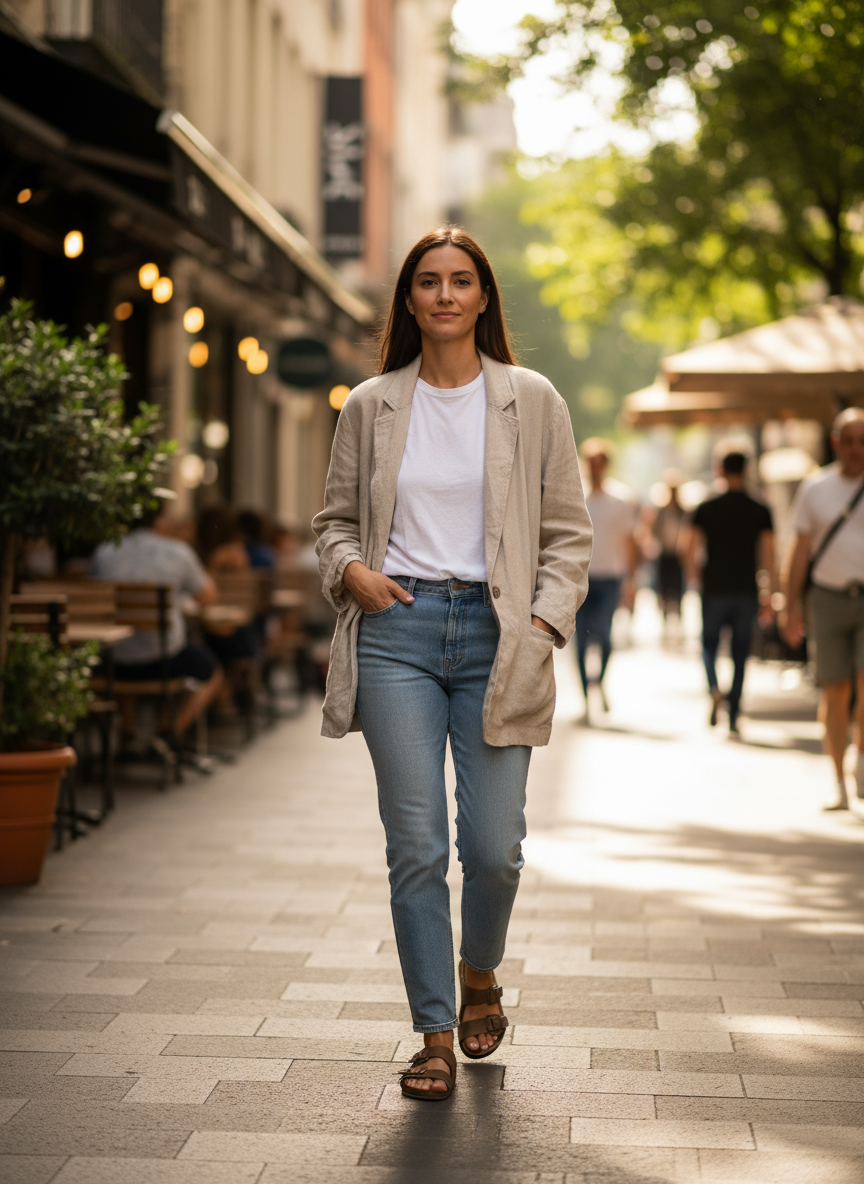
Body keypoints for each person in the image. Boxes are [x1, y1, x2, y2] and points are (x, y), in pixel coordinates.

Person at [313, 226, 592, 1101]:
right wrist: (351, 570)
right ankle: (434, 1032)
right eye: (427, 282)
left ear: (483, 298)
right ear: (408, 300)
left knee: (496, 848)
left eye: (460, 281)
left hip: (498, 634)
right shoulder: (370, 403)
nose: (443, 295)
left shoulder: (532, 399)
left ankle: (480, 974)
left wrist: (544, 624)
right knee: (419, 844)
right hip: (396, 629)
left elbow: (568, 532)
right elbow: (332, 524)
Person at [91, 494, 224, 748]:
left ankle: (129, 733)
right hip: (164, 660)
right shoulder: (177, 552)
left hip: (114, 663)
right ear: (159, 520)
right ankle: (166, 732)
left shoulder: (104, 551)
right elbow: (208, 597)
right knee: (211, 671)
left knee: (125, 645)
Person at [782, 408, 864, 810]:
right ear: (835, 443)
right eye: (848, 441)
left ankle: (861, 762)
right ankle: (839, 783)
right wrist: (790, 606)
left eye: (862, 441)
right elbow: (798, 550)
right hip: (828, 598)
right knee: (836, 691)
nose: (855, 449)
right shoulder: (816, 488)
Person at [682, 451, 775, 735]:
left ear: (720, 469)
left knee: (709, 645)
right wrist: (770, 591)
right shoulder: (760, 508)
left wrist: (696, 577)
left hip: (713, 589)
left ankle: (714, 689)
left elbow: (686, 546)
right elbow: (770, 554)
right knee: (739, 652)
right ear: (746, 470)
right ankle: (734, 713)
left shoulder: (707, 506)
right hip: (746, 590)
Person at [575, 438, 639, 718]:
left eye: (599, 463)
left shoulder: (620, 501)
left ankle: (598, 682)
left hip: (610, 578)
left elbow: (628, 542)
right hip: (578, 580)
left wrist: (631, 580)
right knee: (577, 642)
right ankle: (586, 697)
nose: (595, 468)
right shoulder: (575, 496)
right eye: (591, 462)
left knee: (604, 635)